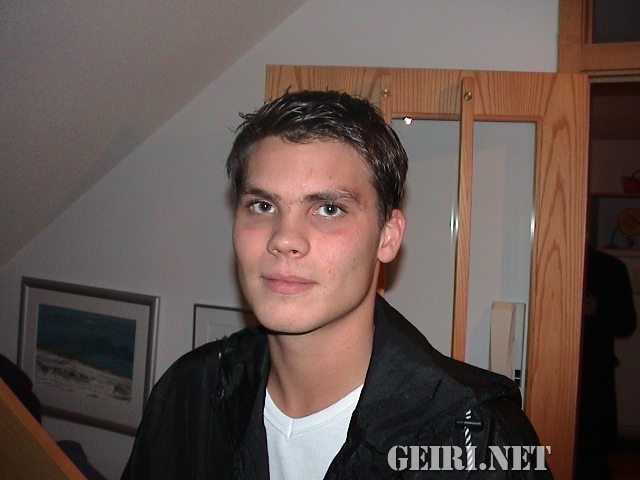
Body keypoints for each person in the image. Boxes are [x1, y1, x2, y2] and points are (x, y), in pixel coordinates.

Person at [122, 90, 550, 479]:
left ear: (387, 237)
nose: (284, 239)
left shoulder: (479, 439)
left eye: (328, 208)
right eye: (262, 205)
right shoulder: (190, 392)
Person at [576, 245, 637, 480]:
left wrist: (597, 310)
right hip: (557, 364)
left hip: (595, 368)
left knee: (594, 452)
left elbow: (626, 324)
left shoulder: (610, 268)